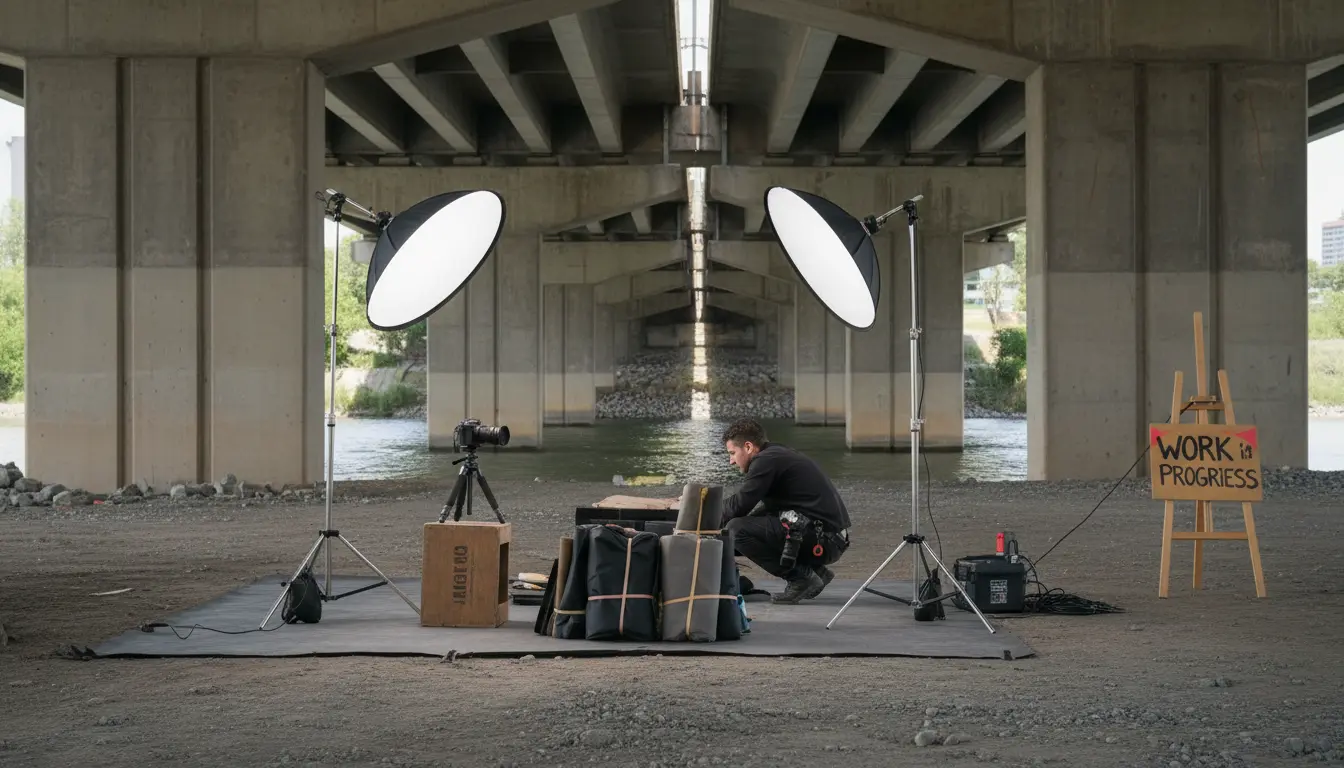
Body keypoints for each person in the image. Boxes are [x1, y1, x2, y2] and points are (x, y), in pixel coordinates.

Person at [717, 418, 852, 604]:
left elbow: (740, 504)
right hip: (831, 537)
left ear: (748, 447)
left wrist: (701, 509)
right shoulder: (776, 454)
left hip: (824, 540)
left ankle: (801, 578)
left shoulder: (765, 461)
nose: (731, 461)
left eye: (732, 453)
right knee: (733, 529)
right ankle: (815, 571)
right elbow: (754, 511)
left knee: (736, 530)